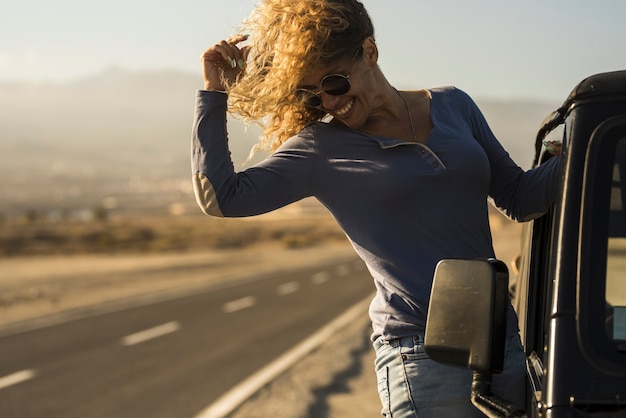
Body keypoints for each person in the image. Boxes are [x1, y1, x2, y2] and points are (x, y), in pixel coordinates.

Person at [192, 0, 562, 416]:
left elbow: (520, 197)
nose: (329, 104)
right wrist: (213, 92)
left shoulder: (455, 105)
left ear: (369, 51)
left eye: (333, 84)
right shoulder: (321, 148)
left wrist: (589, 137)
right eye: (312, 97)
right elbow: (222, 198)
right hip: (424, 360)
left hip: (503, 346)